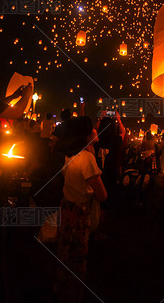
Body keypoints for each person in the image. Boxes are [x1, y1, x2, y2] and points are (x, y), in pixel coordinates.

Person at [56, 116, 107, 303]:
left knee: (65, 255)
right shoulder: (87, 160)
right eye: (93, 129)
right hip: (79, 215)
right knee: (77, 259)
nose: (96, 130)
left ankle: (60, 290)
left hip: (66, 209)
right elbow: (103, 195)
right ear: (85, 135)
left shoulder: (71, 155)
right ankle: (73, 296)